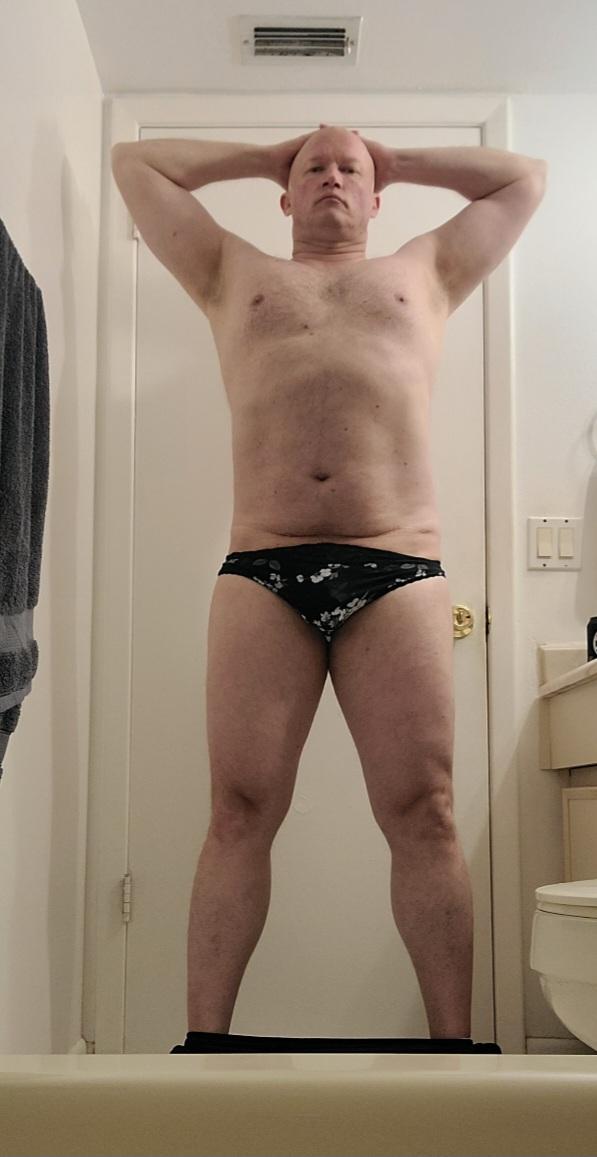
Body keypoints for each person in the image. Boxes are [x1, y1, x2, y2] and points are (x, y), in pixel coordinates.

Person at [111, 126, 546, 1043]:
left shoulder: (424, 270)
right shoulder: (232, 271)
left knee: (424, 812)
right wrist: (269, 150)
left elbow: (522, 178)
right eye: (314, 167)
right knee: (237, 812)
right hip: (263, 567)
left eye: (351, 168)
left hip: (396, 566)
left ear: (376, 193)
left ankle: (451, 1049)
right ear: (285, 191)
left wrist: (396, 157)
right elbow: (134, 163)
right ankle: (205, 1048)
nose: (333, 177)